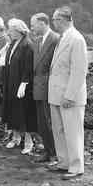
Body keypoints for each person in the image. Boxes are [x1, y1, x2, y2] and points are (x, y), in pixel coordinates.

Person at [48, 6, 88, 180]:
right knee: (59, 131)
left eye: (55, 20)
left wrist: (70, 95)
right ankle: (64, 162)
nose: (53, 23)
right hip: (56, 94)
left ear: (64, 20)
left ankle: (76, 167)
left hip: (69, 96)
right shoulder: (63, 38)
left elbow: (79, 71)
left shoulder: (76, 39)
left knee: (73, 132)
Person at [2, 18, 37, 154]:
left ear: (18, 31)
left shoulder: (27, 45)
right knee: (12, 110)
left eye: (11, 30)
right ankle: (16, 137)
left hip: (22, 85)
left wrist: (24, 83)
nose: (9, 32)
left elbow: (28, 66)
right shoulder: (13, 44)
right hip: (11, 82)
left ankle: (28, 141)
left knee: (24, 112)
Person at [30, 13, 60, 164]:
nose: (31, 27)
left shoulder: (55, 39)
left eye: (33, 24)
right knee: (42, 122)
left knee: (50, 121)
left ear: (42, 23)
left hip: (49, 87)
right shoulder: (37, 41)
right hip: (37, 87)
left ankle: (55, 154)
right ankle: (48, 152)